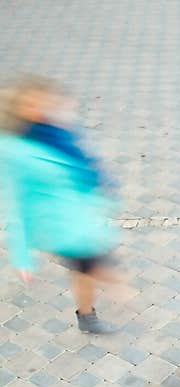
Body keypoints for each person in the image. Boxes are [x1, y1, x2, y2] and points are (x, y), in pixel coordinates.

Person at [0, 75, 122, 334]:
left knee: (85, 269)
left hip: (78, 215)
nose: (41, 107)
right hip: (60, 224)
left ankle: (87, 315)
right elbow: (14, 204)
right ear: (16, 110)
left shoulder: (51, 130)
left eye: (42, 100)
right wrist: (21, 257)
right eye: (31, 104)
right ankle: (119, 302)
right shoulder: (12, 150)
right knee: (96, 268)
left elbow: (78, 163)